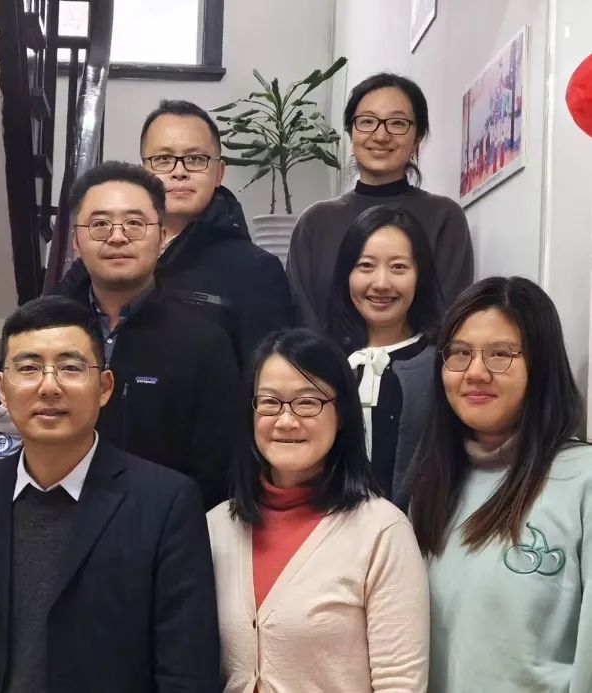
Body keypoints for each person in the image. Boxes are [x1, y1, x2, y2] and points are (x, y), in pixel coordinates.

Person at [0, 296, 220, 693]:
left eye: (71, 367)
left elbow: (186, 672)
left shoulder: (166, 503)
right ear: (2, 390)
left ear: (104, 387)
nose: (49, 386)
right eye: (28, 368)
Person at [207, 328, 429, 693]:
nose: (286, 420)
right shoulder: (216, 527)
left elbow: (400, 683)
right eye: (269, 402)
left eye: (308, 402)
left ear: (341, 415)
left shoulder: (382, 531)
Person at [409, 277, 592, 692]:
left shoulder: (582, 480)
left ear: (541, 366)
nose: (476, 372)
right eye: (460, 353)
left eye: (501, 355)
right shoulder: (431, 487)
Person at [57, 160, 244, 508]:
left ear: (160, 238)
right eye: (100, 224)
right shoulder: (47, 334)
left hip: (161, 529)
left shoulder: (203, 344)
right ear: (76, 242)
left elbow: (219, 469)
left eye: (134, 223)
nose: (117, 237)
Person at [58, 100, 293, 365]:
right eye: (163, 159)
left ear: (219, 173)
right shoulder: (108, 252)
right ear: (144, 171)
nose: (179, 172)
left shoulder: (255, 270)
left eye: (195, 159)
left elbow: (271, 375)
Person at [287, 73, 473, 328]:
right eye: (367, 121)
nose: (381, 135)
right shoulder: (315, 222)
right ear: (351, 134)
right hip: (324, 355)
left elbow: (451, 319)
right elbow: (301, 316)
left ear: (417, 139)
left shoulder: (444, 217)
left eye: (397, 123)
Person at [327, 205, 442, 506]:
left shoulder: (442, 363)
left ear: (420, 275)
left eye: (398, 267)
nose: (381, 283)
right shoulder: (323, 361)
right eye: (365, 266)